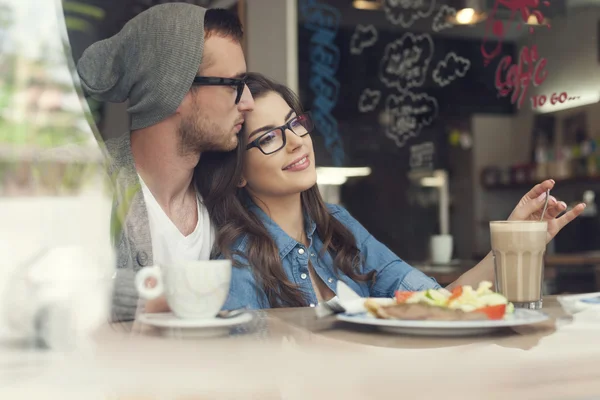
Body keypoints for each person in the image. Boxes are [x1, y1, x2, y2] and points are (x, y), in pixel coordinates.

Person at [196, 72, 586, 310]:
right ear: (239, 172)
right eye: (268, 138)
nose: (296, 142)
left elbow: (432, 301)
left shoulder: (337, 225)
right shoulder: (239, 264)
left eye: (293, 124)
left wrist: (516, 239)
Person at [75, 4, 254, 322]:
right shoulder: (87, 185)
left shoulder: (224, 196)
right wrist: (164, 295)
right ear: (176, 90)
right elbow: (43, 284)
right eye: (234, 86)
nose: (248, 102)